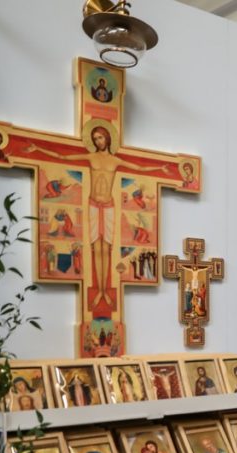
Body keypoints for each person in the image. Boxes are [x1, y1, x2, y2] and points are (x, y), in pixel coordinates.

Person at [26, 126, 169, 313]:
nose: (98, 141)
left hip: (108, 206)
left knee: (106, 249)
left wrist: (161, 168)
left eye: (101, 137)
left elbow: (140, 168)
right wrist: (38, 148)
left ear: (108, 138)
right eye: (95, 138)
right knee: (96, 248)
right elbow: (63, 157)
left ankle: (104, 291)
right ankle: (100, 291)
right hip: (94, 205)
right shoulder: (90, 157)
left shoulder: (116, 160)